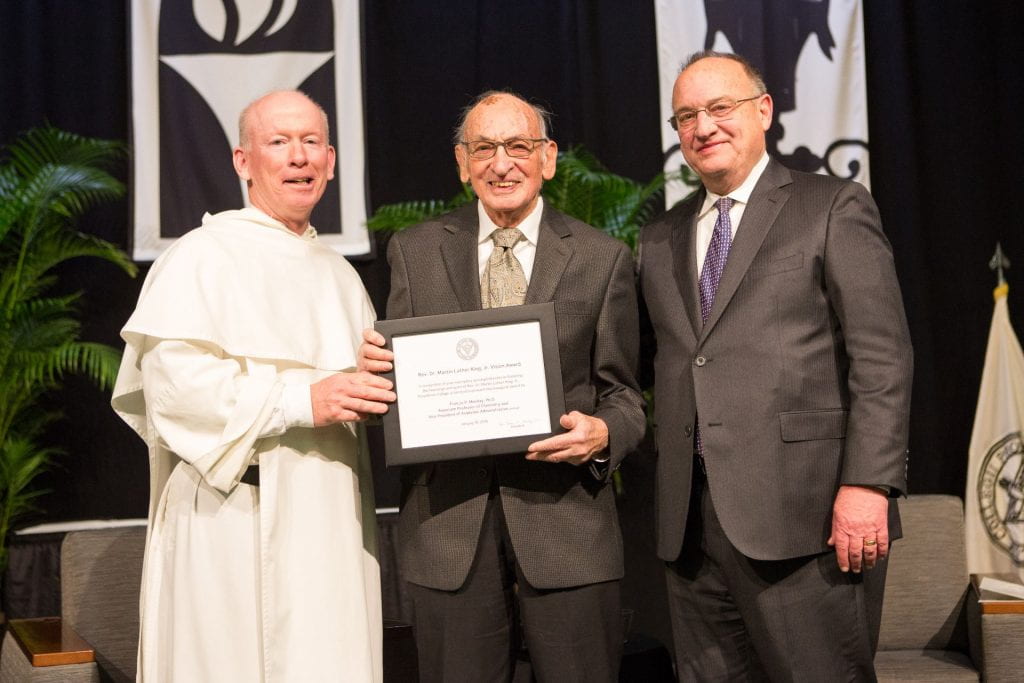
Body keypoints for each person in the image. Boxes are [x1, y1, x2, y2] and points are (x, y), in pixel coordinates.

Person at [639, 51, 913, 680]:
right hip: (690, 530)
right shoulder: (659, 239)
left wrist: (869, 485)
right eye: (686, 115)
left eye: (719, 107)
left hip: (809, 517)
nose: (703, 126)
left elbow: (883, 356)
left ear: (763, 110)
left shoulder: (833, 205)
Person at [359, 90, 646, 682]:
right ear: (463, 164)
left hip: (568, 526)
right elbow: (396, 387)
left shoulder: (602, 257)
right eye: (484, 148)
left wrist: (603, 432)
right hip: (448, 529)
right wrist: (376, 372)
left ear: (548, 157)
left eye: (518, 146)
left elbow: (625, 395)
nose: (502, 163)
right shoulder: (414, 252)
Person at [111, 90, 396, 682]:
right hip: (231, 520)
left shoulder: (342, 276)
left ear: (332, 160)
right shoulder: (199, 257)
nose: (299, 157)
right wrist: (302, 398)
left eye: (311, 142)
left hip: (330, 521)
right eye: (278, 142)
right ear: (243, 162)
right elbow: (175, 394)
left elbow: (361, 391)